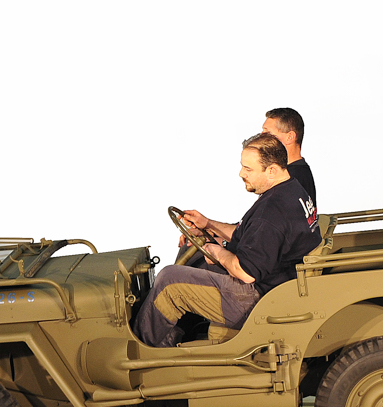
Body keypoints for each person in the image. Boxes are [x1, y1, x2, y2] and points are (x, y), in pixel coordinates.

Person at [134, 133, 320, 348]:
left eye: (248, 169)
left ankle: (140, 350)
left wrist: (216, 251)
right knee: (191, 252)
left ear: (271, 170)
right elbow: (251, 235)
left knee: (169, 281)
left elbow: (246, 272)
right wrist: (208, 225)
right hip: (275, 281)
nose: (241, 173)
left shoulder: (271, 211)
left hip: (258, 299)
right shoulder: (291, 189)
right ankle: (174, 335)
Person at [262, 107, 315, 206]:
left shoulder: (289, 179)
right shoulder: (299, 174)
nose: (261, 137)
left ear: (290, 137)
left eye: (268, 133)